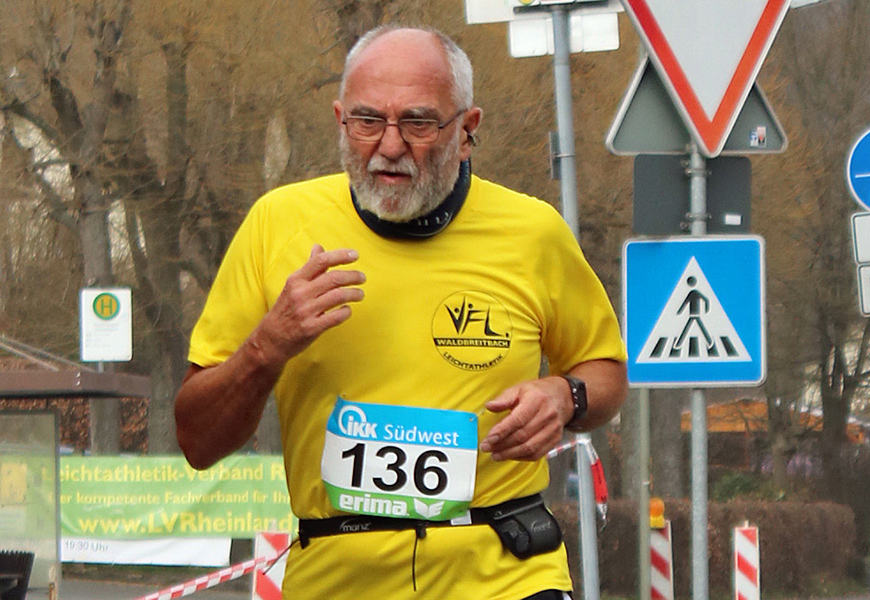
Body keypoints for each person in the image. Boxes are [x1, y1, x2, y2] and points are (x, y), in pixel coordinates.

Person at [175, 25, 627, 600]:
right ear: (340, 118)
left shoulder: (532, 231)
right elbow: (197, 439)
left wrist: (565, 396)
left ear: (467, 131)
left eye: (417, 122)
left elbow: (606, 371)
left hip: (503, 571)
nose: (389, 146)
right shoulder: (277, 226)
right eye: (367, 121)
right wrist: (267, 347)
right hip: (338, 576)